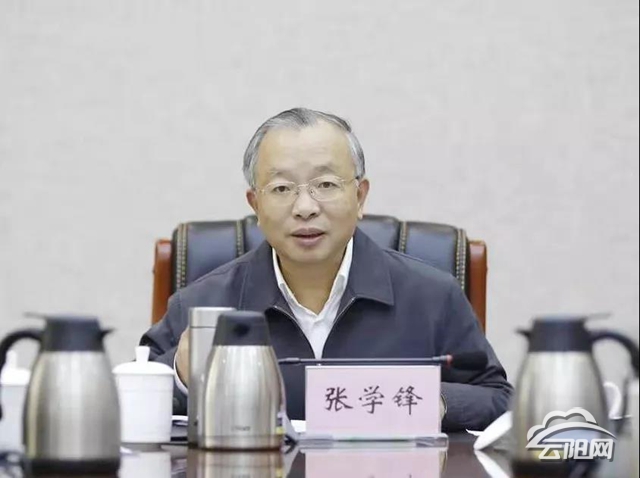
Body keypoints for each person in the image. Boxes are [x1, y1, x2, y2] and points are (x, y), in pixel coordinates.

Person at [140, 107, 513, 432]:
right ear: (255, 205)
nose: (305, 207)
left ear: (360, 196)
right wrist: (183, 374)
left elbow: (499, 400)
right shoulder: (201, 304)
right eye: (282, 188)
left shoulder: (432, 297)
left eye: (326, 184)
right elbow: (139, 398)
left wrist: (432, 401)